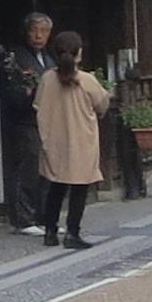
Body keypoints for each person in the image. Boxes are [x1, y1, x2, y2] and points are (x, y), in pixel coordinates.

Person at [33, 30, 117, 251]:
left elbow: (37, 105)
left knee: (56, 186)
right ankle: (72, 233)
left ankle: (50, 231)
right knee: (79, 188)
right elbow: (102, 104)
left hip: (54, 140)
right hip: (81, 140)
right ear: (79, 53)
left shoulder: (46, 79)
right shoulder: (86, 80)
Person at [0, 11, 56, 231]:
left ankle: (43, 217)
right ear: (26, 31)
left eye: (44, 31)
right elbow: (12, 91)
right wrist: (31, 93)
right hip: (26, 121)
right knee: (27, 169)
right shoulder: (16, 56)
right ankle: (23, 219)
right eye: (34, 30)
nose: (39, 35)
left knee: (47, 172)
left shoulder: (48, 59)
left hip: (47, 123)